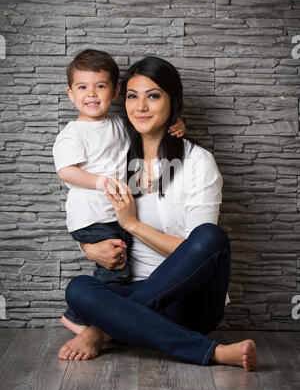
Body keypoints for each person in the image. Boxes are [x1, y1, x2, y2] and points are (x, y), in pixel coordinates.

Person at [58, 56, 257, 371]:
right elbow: (87, 207)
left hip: (188, 301)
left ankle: (105, 328)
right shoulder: (117, 155)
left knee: (210, 237)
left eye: (153, 96)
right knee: (78, 289)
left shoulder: (197, 162)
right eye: (133, 97)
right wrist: (89, 247)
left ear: (172, 102)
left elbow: (200, 254)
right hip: (130, 288)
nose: (141, 107)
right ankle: (214, 352)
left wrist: (132, 225)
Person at [52, 50, 185, 296]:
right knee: (117, 269)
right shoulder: (73, 134)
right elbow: (66, 172)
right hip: (92, 217)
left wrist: (175, 124)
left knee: (124, 267)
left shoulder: (118, 123)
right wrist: (101, 182)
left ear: (114, 92)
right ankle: (86, 318)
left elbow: (148, 128)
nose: (91, 94)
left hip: (114, 214)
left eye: (100, 86)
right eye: (82, 87)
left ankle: (107, 317)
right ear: (70, 93)